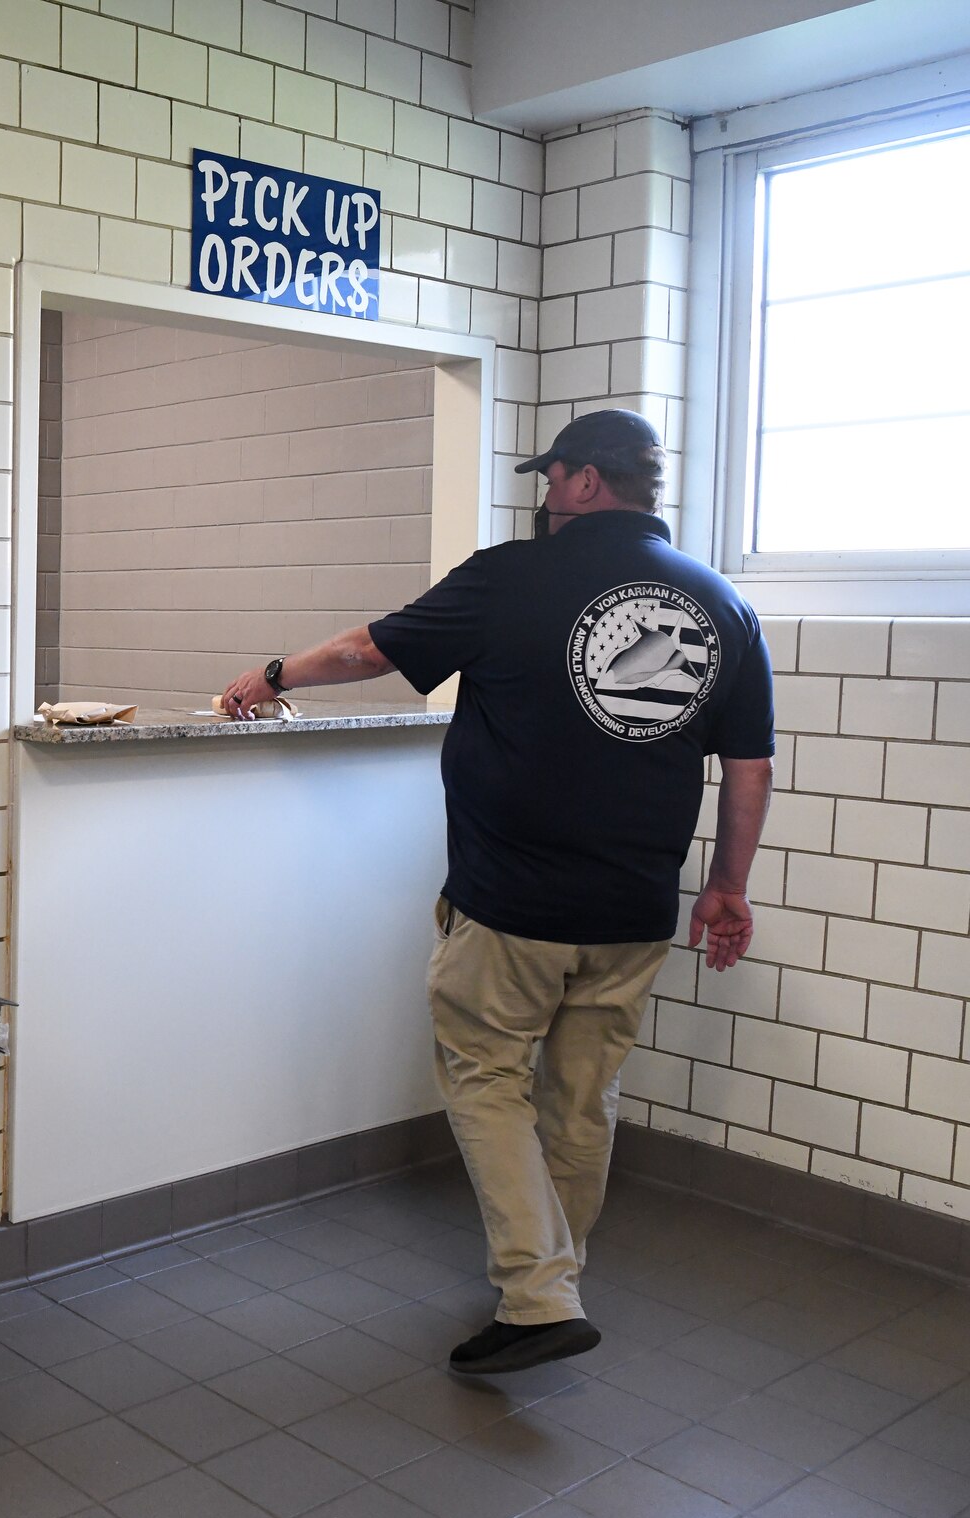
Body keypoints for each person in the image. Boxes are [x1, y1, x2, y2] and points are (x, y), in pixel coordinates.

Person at [220, 409, 774, 1376]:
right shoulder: (721, 602)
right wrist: (727, 886)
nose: (544, 495)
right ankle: (551, 1283)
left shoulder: (512, 574)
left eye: (552, 478)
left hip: (512, 902)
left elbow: (368, 653)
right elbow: (749, 767)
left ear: (588, 481)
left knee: (484, 1078)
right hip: (636, 910)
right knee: (581, 1100)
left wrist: (273, 675)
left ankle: (539, 1296)